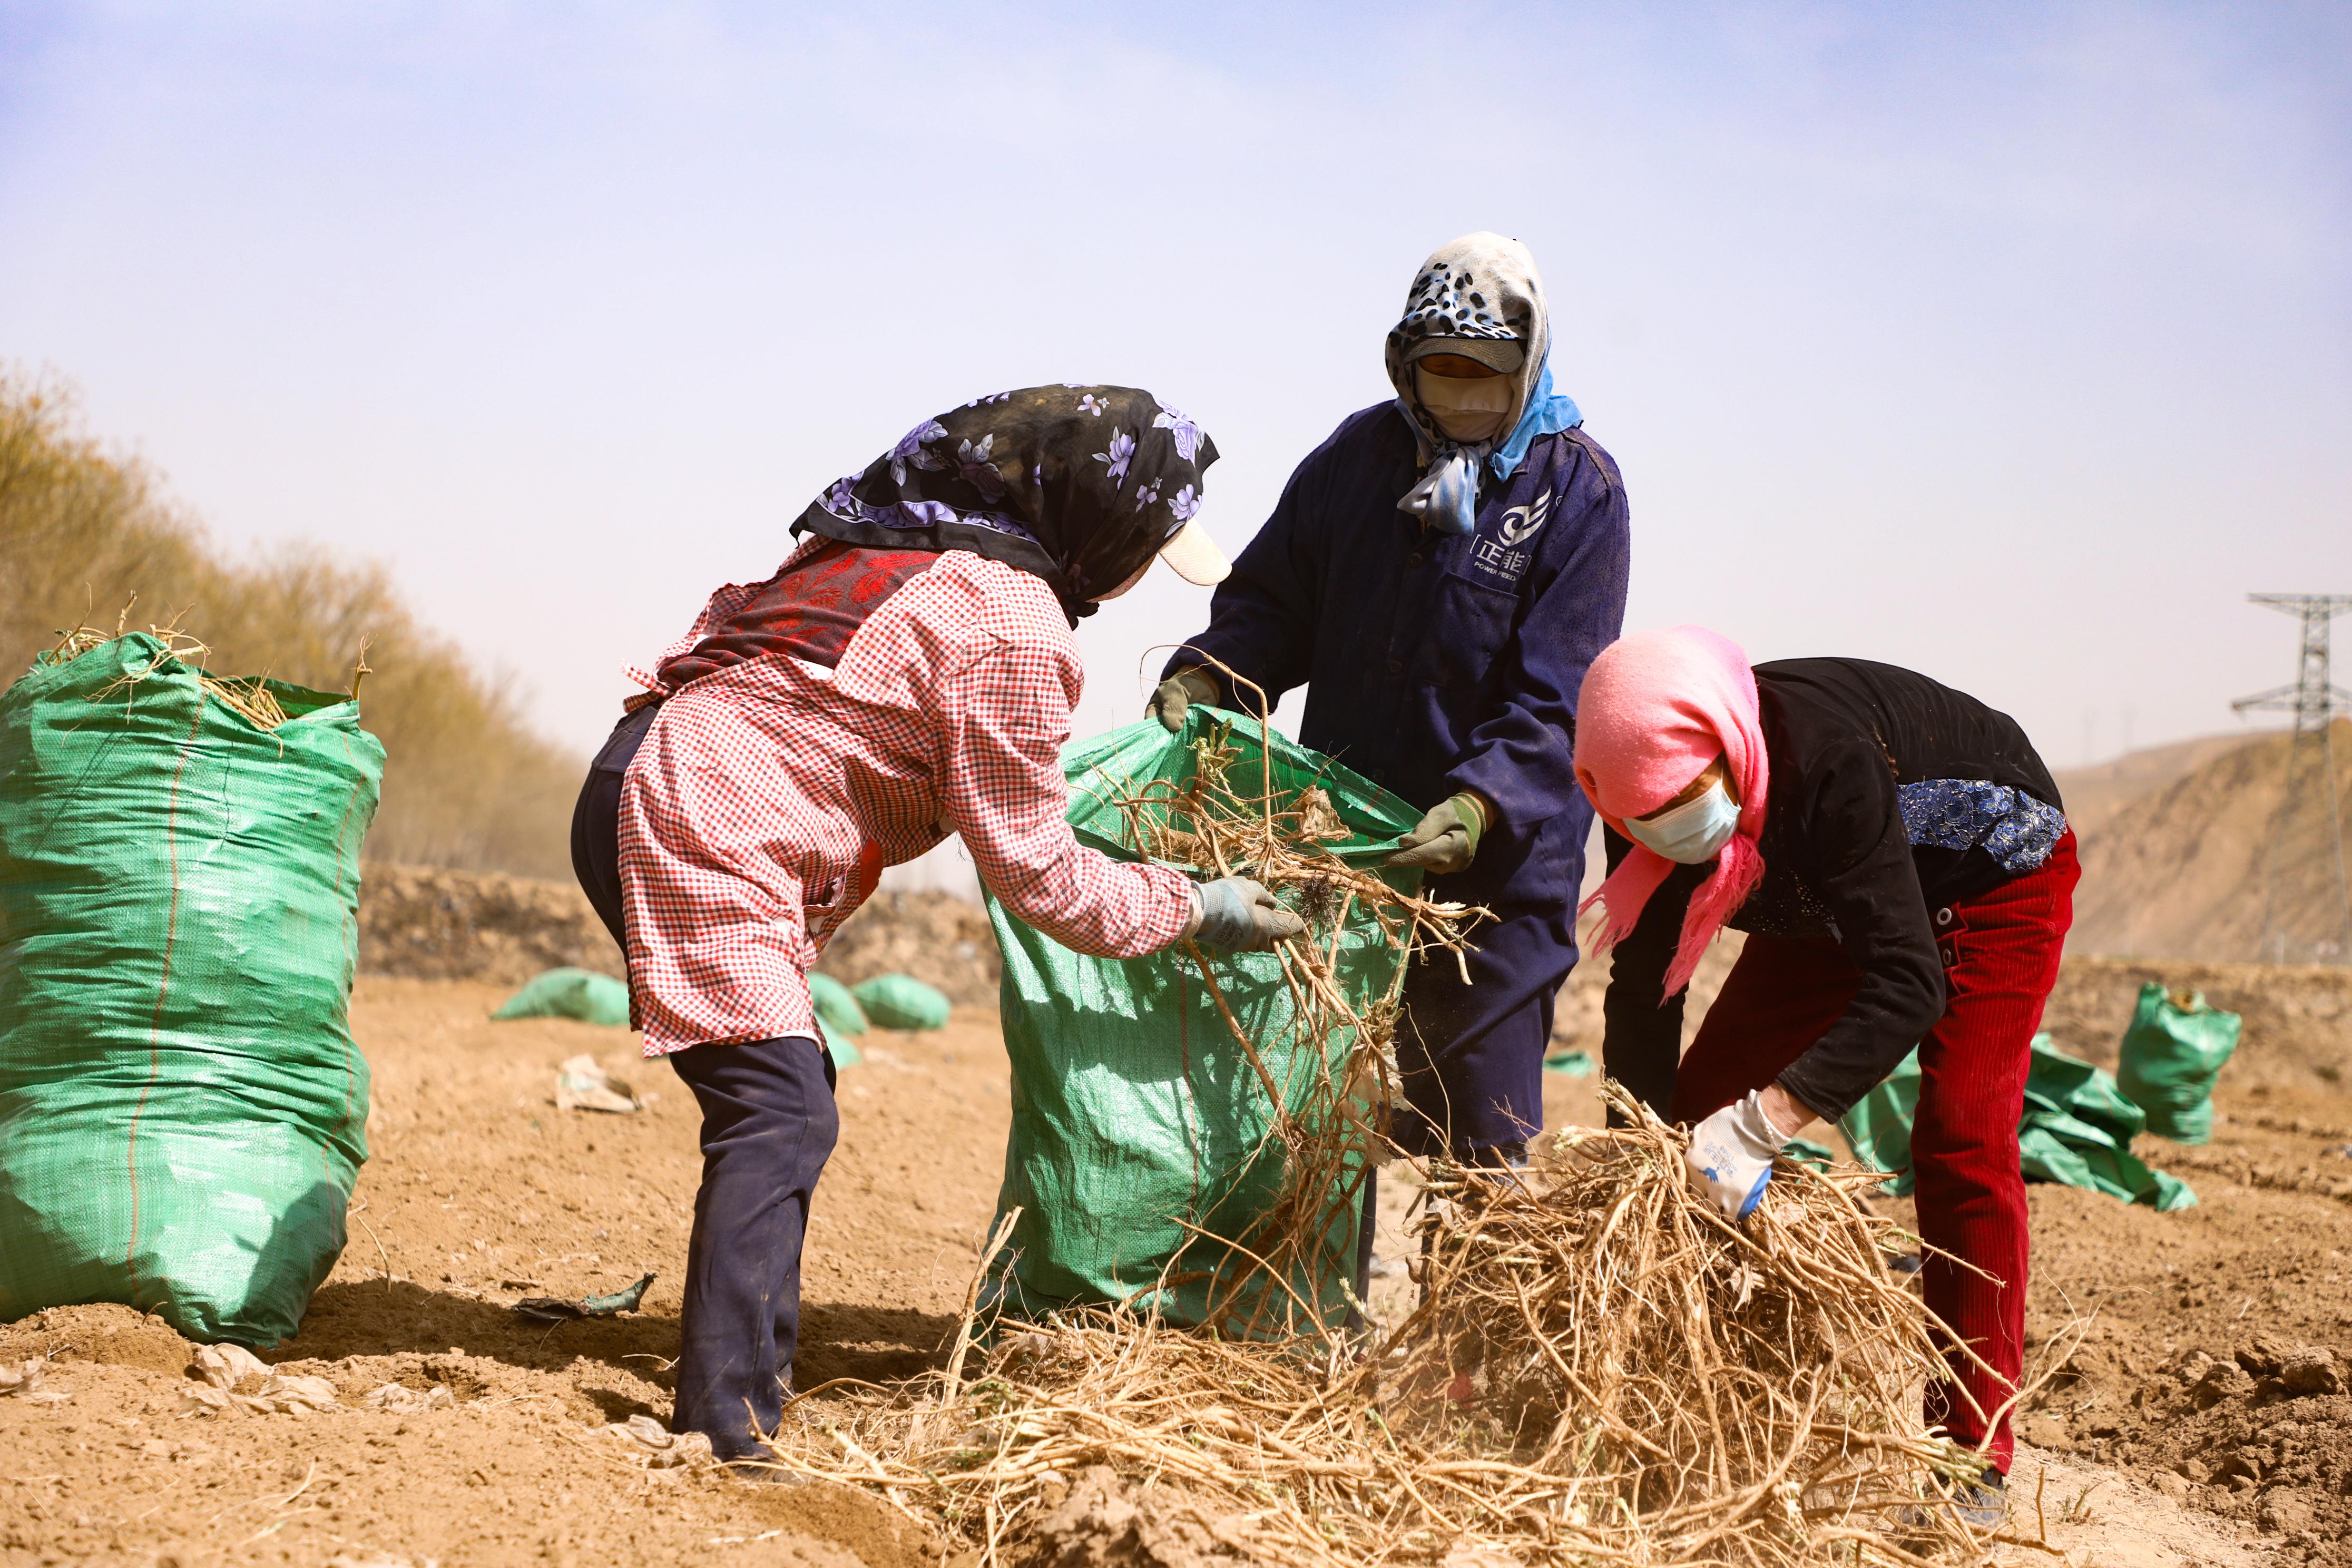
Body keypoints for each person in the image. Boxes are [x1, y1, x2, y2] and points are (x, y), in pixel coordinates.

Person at [570, 386, 1304, 1475]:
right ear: (1095, 524)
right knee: (780, 1111)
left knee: (785, 1094)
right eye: (1142, 549)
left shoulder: (902, 545)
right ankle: (728, 1426)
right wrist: (1198, 907)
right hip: (703, 815)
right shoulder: (1012, 623)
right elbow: (1042, 876)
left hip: (637, 779)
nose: (1138, 576)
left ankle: (738, 1388)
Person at [1152, 231, 1630, 1181]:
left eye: (1485, 376)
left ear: (1527, 363)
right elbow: (1274, 604)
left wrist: (1481, 803)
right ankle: (1325, 1278)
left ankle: (1471, 1276)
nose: (1462, 397)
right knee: (1316, 1098)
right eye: (1441, 372)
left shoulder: (1578, 490)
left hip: (1495, 871)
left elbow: (1563, 691)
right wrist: (1210, 674)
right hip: (1350, 841)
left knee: (1476, 1121)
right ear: (1403, 365)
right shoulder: (1358, 459)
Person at [1574, 625, 2076, 1523]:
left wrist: (1765, 1124)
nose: (1677, 826)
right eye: (1654, 819)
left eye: (1691, 800)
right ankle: (1693, 1392)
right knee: (1694, 1112)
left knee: (1960, 1133)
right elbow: (1644, 989)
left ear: (1728, 745)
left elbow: (1908, 984)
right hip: (1836, 895)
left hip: (1986, 872)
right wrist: (1636, 1157)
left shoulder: (1824, 761)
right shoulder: (1636, 804)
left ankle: (1969, 1455)